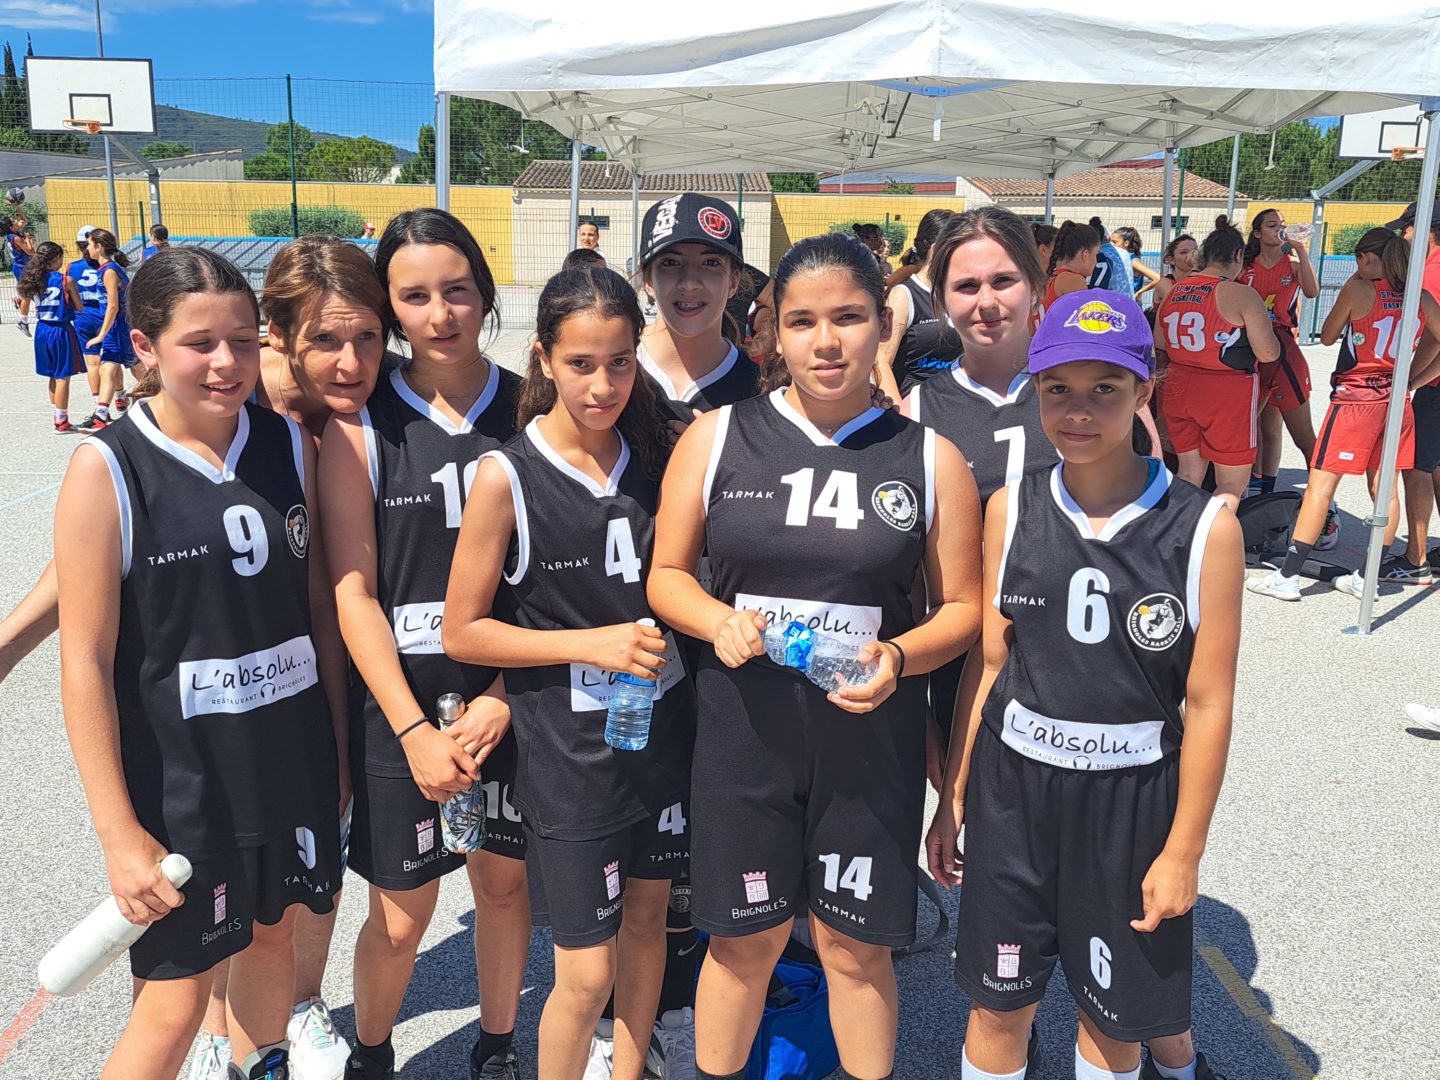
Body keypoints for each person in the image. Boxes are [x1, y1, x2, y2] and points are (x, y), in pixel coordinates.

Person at [650, 232, 984, 1080]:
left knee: (853, 950)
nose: (826, 342)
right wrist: (713, 620)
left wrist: (899, 656)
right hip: (743, 744)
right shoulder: (717, 437)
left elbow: (963, 610)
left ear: (884, 325)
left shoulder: (930, 457)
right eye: (802, 321)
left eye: (849, 318)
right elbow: (666, 576)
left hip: (867, 748)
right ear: (773, 330)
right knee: (743, 944)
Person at [928, 288, 1242, 1080]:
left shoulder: (1207, 527)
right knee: (997, 1007)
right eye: (1058, 388)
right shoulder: (1011, 509)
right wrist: (954, 793)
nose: (1078, 410)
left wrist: (1184, 851)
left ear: (1144, 390)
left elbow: (1208, 703)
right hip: (1015, 793)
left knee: (1112, 1021)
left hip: (1129, 802)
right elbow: (991, 662)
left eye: (1105, 388)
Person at [54, 247, 346, 1080]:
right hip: (184, 786)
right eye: (200, 343)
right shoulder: (107, 469)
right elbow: (84, 663)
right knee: (176, 1002)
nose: (226, 363)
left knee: (273, 940)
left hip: (285, 762)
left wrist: (332, 756)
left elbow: (317, 612)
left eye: (243, 341)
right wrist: (119, 836)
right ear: (144, 347)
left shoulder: (288, 444)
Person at [443, 264, 687, 1080]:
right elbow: (463, 630)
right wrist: (589, 644)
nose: (603, 385)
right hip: (572, 759)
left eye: (620, 362)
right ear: (544, 358)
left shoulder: (658, 456)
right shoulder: (506, 475)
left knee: (648, 927)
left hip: (662, 736)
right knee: (584, 976)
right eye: (581, 364)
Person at [319, 209, 530, 1080]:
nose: (440, 314)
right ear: (389, 307)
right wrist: (410, 729)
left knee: (503, 886)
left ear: (485, 291)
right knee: (402, 915)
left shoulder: (534, 407)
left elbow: (564, 577)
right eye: (414, 296)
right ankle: (373, 1054)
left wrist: (505, 699)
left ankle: (496, 1044)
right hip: (400, 705)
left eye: (457, 290)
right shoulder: (360, 424)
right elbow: (354, 592)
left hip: (510, 695)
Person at [185, 234, 392, 1080]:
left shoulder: (362, 407)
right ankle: (213, 1025)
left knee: (317, 857)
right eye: (325, 340)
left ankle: (302, 1004)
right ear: (279, 335)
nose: (350, 361)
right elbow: (109, 524)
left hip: (316, 666)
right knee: (221, 867)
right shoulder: (235, 404)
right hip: (222, 677)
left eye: (367, 337)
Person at [903, 206, 1059, 753]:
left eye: (1004, 281)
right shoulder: (916, 412)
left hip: (1073, 649)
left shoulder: (1085, 396)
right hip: (964, 659)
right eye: (966, 286)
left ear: (1036, 286)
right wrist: (912, 708)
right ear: (942, 300)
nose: (986, 302)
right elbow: (905, 576)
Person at [1248, 228, 1440, 600]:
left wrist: (1356, 282)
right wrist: (1413, 378)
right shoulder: (1420, 296)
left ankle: (1287, 576)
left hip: (1356, 399)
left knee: (1320, 486)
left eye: (1358, 260)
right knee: (1384, 491)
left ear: (1367, 258)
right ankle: (1367, 576)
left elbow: (1327, 334)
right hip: (1395, 400)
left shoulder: (1360, 290)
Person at [1153, 217, 1280, 510]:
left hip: (1179, 384)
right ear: (1238, 256)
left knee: (1188, 473)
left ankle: (1178, 533)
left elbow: (1161, 341)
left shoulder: (1176, 290)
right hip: (1226, 391)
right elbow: (1268, 354)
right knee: (1230, 484)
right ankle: (1214, 538)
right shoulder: (1241, 294)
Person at [636, 194, 759, 429]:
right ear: (648, 280)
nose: (689, 283)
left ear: (733, 281)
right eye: (670, 262)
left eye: (711, 262)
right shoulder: (611, 370)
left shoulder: (759, 392)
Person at [1238, 210, 1321, 514]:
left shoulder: (1293, 265)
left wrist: (1301, 248)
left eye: (1283, 226)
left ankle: (1323, 502)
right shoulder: (1245, 266)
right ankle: (1256, 493)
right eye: (1272, 225)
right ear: (1257, 233)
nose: (1280, 230)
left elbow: (1312, 292)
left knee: (1296, 434)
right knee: (1253, 427)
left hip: (1281, 347)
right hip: (1249, 349)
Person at [1391, 201, 1440, 573]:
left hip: (1435, 387)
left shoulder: (1430, 273)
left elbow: (1436, 337)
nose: (1403, 237)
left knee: (1417, 468)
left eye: (1406, 230)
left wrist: (1410, 380)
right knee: (1435, 465)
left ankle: (1415, 558)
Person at [875, 207, 962, 398]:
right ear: (936, 249)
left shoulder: (962, 293)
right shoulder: (904, 296)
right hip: (916, 407)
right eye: (958, 247)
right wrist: (900, 411)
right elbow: (881, 362)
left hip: (957, 405)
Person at [17, 240, 83, 432]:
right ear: (56, 258)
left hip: (42, 329)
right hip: (60, 329)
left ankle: (57, 415)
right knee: (63, 376)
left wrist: (23, 319)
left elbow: (24, 303)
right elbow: (79, 307)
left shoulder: (33, 280)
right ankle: (62, 422)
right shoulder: (65, 280)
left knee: (52, 376)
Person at [79, 227, 135, 432]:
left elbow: (113, 305)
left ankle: (168, 401)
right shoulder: (107, 269)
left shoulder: (110, 270)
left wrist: (101, 334)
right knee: (109, 367)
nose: (87, 248)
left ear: (99, 247)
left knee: (131, 368)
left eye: (89, 244)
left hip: (117, 327)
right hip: (117, 327)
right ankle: (101, 414)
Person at [70, 224, 107, 405]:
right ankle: (119, 395)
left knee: (92, 363)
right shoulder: (107, 267)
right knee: (110, 360)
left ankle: (98, 403)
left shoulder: (72, 267)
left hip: (82, 316)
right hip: (104, 314)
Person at [1045, 221, 1100, 311]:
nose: (1096, 262)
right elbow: (1082, 318)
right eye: (1096, 254)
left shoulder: (1047, 277)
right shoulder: (1074, 281)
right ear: (1085, 254)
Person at [1146, 235, 1197, 311]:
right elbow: (1181, 304)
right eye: (1183, 252)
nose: (1190, 256)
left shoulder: (1201, 280)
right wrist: (1196, 266)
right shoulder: (1165, 283)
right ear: (1171, 260)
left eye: (1194, 252)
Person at [1088, 217, 1134, 298]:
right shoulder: (1125, 253)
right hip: (1128, 301)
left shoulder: (1098, 255)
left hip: (1109, 301)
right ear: (1108, 238)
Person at [1113, 227, 1162, 300]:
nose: (1112, 245)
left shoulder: (1133, 261)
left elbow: (1157, 278)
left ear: (1126, 243)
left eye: (1115, 242)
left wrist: (1139, 292)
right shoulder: (1122, 259)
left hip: (1130, 303)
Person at [5, 209, 34, 329]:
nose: (18, 221)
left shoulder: (15, 232)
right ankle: (23, 321)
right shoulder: (15, 238)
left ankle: (19, 299)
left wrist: (18, 206)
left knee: (30, 292)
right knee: (29, 294)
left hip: (25, 265)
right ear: (11, 227)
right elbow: (30, 251)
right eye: (15, 221)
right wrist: (28, 239)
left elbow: (24, 220)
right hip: (21, 267)